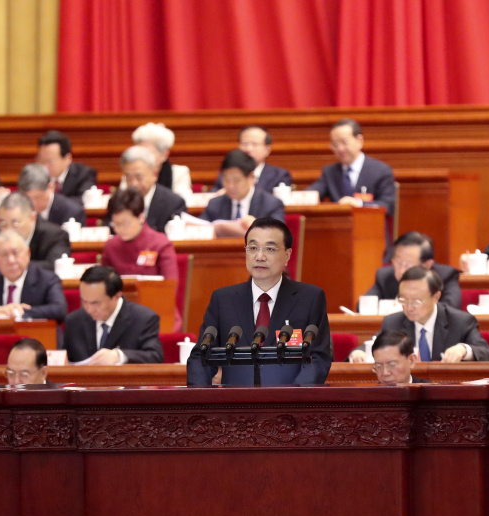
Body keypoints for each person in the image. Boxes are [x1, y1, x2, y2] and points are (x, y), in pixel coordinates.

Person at [187, 217, 332, 385]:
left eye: (270, 249)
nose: (260, 256)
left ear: (287, 255)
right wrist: (200, 396)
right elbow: (201, 357)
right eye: (253, 248)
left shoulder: (309, 298)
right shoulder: (223, 299)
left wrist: (294, 395)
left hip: (291, 399)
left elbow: (318, 358)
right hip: (236, 400)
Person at [350, 267, 489, 363]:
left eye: (416, 301)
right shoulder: (393, 322)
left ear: (436, 297)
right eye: (403, 300)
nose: (409, 307)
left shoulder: (460, 321)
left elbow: (488, 354)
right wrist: (359, 353)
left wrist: (463, 349)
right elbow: (372, 345)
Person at [62, 266, 162, 365]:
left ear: (117, 296)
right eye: (84, 301)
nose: (89, 309)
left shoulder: (143, 318)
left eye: (95, 303)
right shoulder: (74, 321)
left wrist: (119, 356)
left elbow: (155, 356)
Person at [0, 230, 67, 321]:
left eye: (16, 253)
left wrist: (18, 311)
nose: (11, 260)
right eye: (4, 254)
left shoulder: (47, 279)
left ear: (28, 254)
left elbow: (59, 310)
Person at [0, 192, 71, 270]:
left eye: (15, 223)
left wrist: (13, 266)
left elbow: (55, 266)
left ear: (32, 218)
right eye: (3, 223)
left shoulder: (54, 235)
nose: (8, 230)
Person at [364, 231, 461, 309]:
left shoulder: (446, 276)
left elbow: (450, 308)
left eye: (409, 265)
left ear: (427, 265)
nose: (402, 271)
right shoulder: (384, 276)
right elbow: (363, 306)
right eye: (399, 262)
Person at [200, 149, 285, 237]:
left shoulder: (271, 204)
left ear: (251, 177)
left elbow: (279, 236)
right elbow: (201, 229)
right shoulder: (215, 204)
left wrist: (258, 226)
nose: (230, 186)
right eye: (226, 180)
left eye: (237, 180)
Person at [102, 188, 178, 279]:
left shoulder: (160, 244)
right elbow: (104, 283)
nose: (120, 229)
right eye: (116, 224)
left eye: (126, 223)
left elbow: (170, 282)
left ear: (141, 217)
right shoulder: (111, 246)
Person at [119, 146, 186, 232]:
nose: (133, 183)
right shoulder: (119, 201)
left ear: (155, 174)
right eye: (128, 177)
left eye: (139, 177)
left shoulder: (173, 203)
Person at [212, 125, 293, 193]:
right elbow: (213, 197)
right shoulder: (227, 174)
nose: (248, 149)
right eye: (245, 144)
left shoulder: (279, 176)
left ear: (267, 150)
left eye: (254, 144)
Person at [128, 122, 192, 202]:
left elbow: (184, 202)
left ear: (164, 155)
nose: (142, 158)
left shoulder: (179, 173)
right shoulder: (131, 174)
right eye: (139, 153)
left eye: (148, 153)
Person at [16, 163, 85, 226]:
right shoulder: (15, 209)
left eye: (37, 197)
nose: (32, 203)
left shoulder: (72, 212)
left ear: (51, 187)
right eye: (27, 198)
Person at [37, 130, 97, 202]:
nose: (44, 166)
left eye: (50, 161)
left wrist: (50, 200)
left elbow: (84, 200)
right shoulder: (34, 176)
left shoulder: (84, 174)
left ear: (67, 159)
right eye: (41, 161)